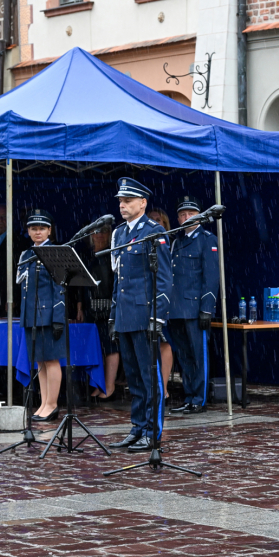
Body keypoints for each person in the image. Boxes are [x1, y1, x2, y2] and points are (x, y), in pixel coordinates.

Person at [107, 179, 173, 454]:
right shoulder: (120, 234)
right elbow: (119, 280)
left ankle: (152, 431)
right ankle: (137, 428)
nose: (123, 205)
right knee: (133, 377)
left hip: (145, 314)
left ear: (142, 203)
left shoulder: (154, 232)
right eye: (121, 201)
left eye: (129, 200)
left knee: (149, 377)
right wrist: (113, 315)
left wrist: (157, 318)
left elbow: (165, 279)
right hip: (125, 315)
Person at [167, 196, 219, 415]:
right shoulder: (176, 242)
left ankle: (199, 399)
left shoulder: (207, 239)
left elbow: (211, 276)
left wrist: (207, 308)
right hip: (177, 309)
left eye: (190, 213)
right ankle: (189, 397)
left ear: (199, 216)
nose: (186, 217)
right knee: (184, 357)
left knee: (199, 356)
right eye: (182, 214)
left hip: (195, 308)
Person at [16, 212, 67, 422]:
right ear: (28, 231)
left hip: (48, 314)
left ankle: (52, 405)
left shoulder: (54, 253)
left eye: (42, 228)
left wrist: (58, 317)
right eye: (33, 229)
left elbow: (60, 288)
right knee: (40, 362)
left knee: (52, 360)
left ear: (49, 231)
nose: (37, 232)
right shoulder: (26, 254)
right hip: (32, 315)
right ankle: (44, 403)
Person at [86, 227, 120, 400]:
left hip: (108, 307)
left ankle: (110, 385)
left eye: (103, 231)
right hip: (91, 308)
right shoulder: (89, 255)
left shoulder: (111, 255)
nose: (99, 235)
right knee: (97, 346)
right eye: (95, 231)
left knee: (111, 345)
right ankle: (100, 384)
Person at [147, 208, 175, 404]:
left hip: (164, 302)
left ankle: (163, 387)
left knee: (164, 343)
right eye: (152, 220)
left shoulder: (167, 244)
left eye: (159, 220)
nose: (155, 223)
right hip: (145, 301)